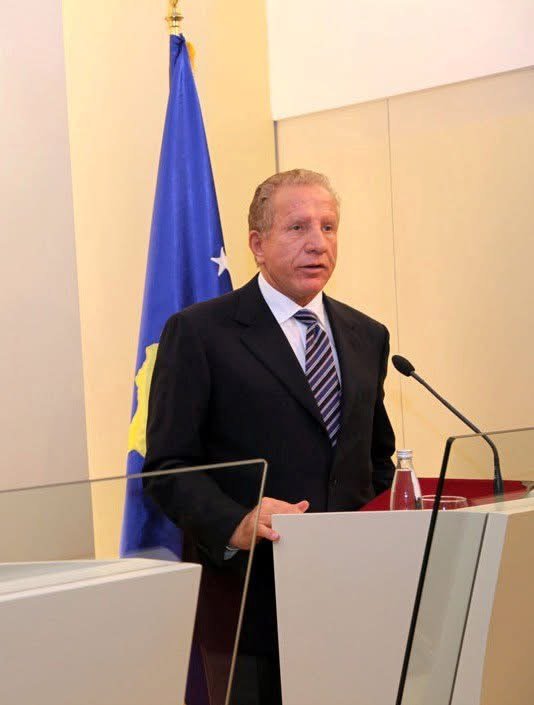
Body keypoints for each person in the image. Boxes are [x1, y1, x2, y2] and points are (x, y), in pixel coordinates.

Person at [143, 169, 395, 705]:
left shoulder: (367, 335)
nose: (318, 243)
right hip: (251, 603)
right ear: (257, 245)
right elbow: (168, 468)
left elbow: (375, 458)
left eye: (329, 226)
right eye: (298, 227)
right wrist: (237, 522)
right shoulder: (200, 333)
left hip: (352, 595)